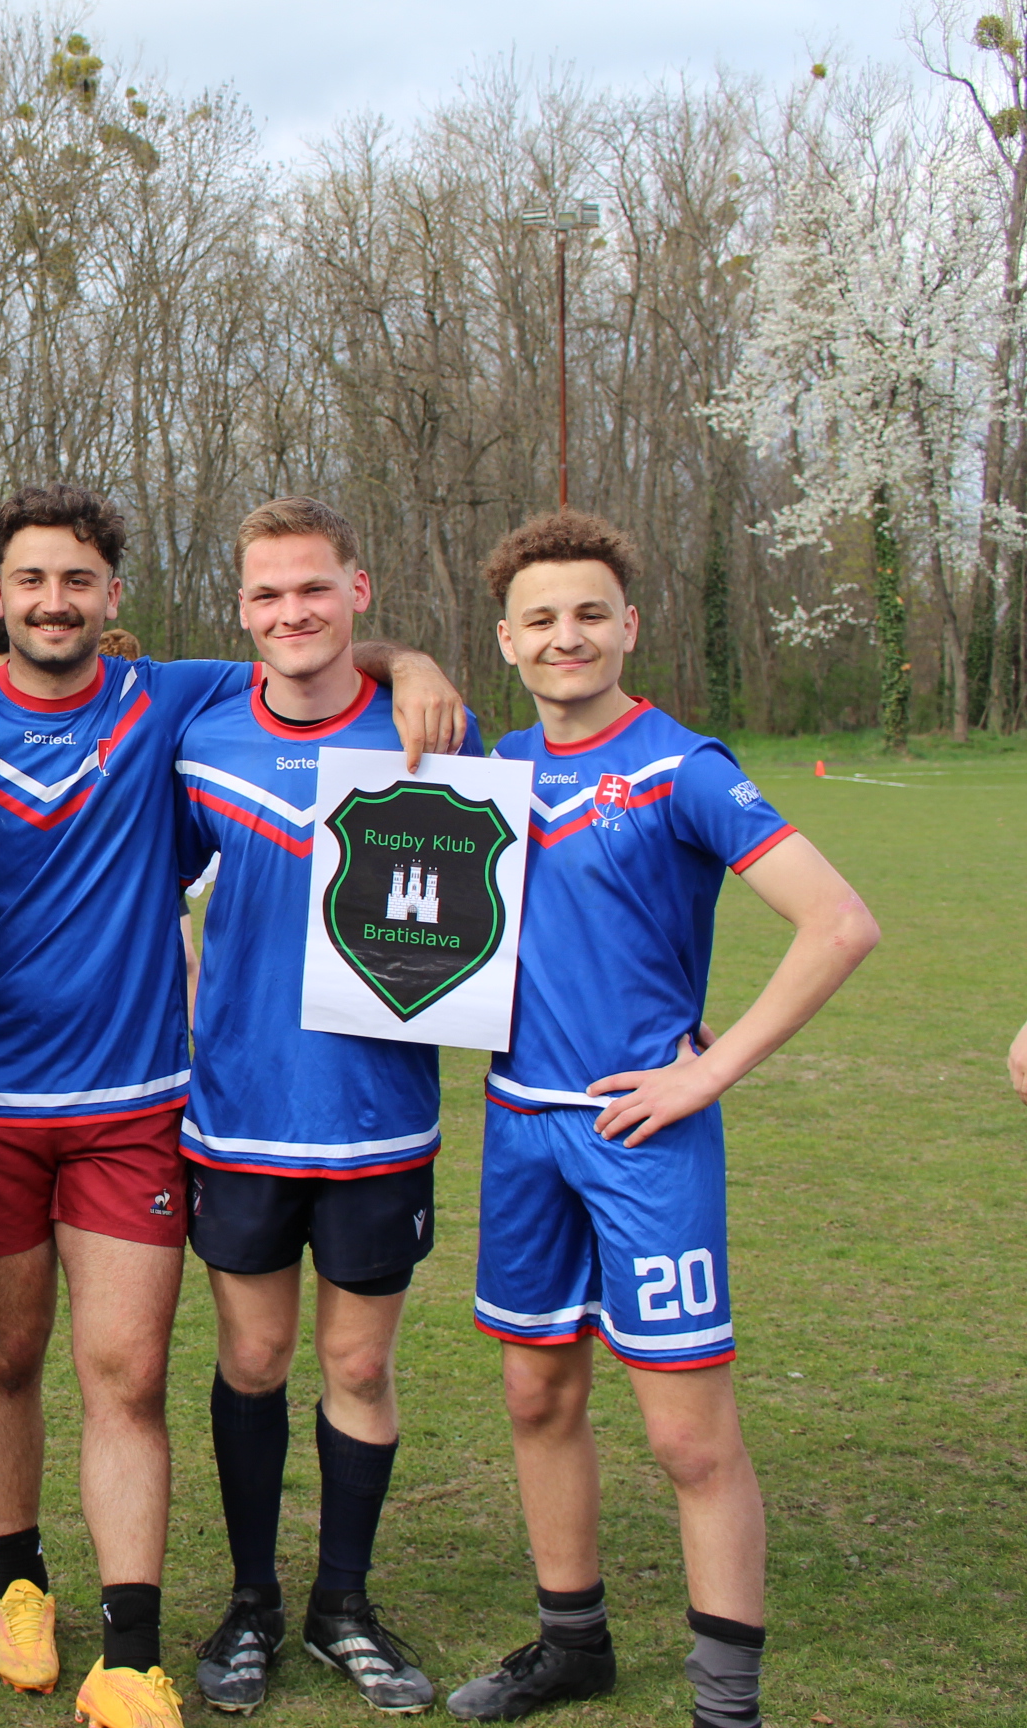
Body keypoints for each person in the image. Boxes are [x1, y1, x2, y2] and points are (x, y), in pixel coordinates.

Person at [0, 484, 463, 1728]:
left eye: (79, 580)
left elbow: (310, 652)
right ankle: (17, 1580)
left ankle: (131, 1653)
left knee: (128, 1371)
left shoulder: (177, 700)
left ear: (115, 596)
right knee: (4, 1355)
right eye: (31, 580)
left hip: (142, 1100)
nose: (55, 601)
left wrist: (414, 659)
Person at [444, 510, 877, 1726]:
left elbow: (839, 923)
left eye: (590, 613)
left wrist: (706, 1072)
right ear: (506, 641)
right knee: (538, 1397)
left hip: (643, 1138)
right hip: (520, 1130)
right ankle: (571, 1645)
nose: (567, 636)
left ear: (629, 627)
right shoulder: (491, 772)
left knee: (689, 1439)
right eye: (540, 619)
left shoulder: (683, 766)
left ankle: (725, 1703)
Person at [172, 497, 480, 1714]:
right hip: (241, 1111)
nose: (291, 612)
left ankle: (341, 1602)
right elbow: (147, 889)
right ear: (242, 608)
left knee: (358, 1363)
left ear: (359, 590)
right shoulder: (202, 739)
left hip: (378, 1116)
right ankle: (251, 1599)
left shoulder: (434, 729)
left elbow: (502, 910)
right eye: (267, 593)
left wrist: (417, 667)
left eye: (314, 587)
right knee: (252, 1358)